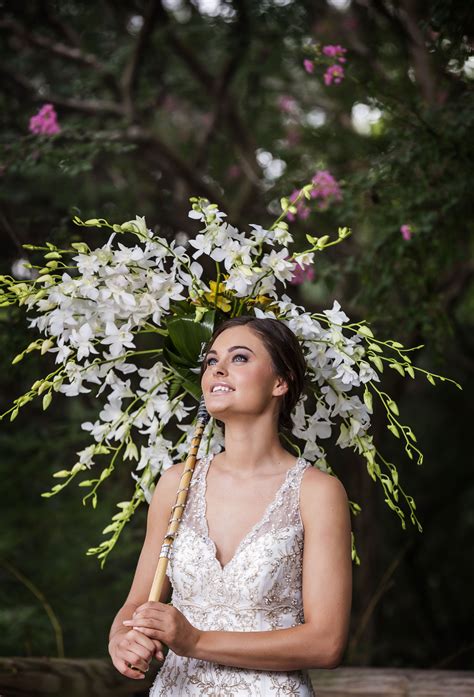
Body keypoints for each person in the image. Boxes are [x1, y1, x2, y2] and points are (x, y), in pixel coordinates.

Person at [108, 316, 352, 695]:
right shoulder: (176, 484)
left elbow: (326, 643)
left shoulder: (317, 493)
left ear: (280, 381)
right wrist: (121, 640)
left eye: (239, 358)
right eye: (210, 361)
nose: (217, 368)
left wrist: (196, 641)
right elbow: (137, 605)